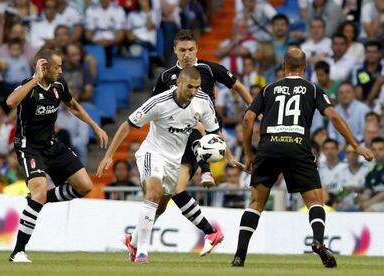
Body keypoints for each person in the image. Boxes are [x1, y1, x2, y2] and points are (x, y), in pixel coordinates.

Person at [232, 48, 374, 268]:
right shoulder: (312, 88)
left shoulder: (268, 89)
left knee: (256, 203)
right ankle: (318, 240)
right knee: (315, 201)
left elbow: (248, 119)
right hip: (297, 145)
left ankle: (239, 257)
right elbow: (333, 116)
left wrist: (250, 154)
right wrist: (355, 145)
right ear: (305, 68)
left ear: (283, 67)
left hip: (269, 146)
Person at [97, 67, 240, 263]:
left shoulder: (203, 101)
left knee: (160, 206)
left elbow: (214, 131)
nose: (193, 91)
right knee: (153, 192)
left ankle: (134, 242)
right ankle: (142, 253)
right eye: (189, 87)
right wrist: (109, 155)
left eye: (197, 87)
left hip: (174, 160)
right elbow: (127, 125)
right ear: (178, 83)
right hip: (152, 153)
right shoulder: (159, 102)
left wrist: (229, 155)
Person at [152, 29, 252, 252]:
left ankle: (205, 170)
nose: (186, 54)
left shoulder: (207, 68)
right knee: (167, 194)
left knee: (195, 119)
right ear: (175, 51)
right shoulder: (167, 76)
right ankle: (139, 235)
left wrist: (256, 110)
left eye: (190, 50)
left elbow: (237, 86)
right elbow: (154, 106)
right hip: (175, 140)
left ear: (197, 49)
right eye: (182, 50)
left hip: (206, 132)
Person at [7, 48, 108, 263]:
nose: (61, 70)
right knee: (39, 193)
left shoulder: (59, 85)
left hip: (52, 145)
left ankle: (38, 198)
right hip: (29, 147)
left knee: (85, 186)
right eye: (57, 67)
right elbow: (10, 102)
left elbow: (73, 105)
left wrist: (94, 126)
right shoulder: (28, 86)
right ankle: (18, 252)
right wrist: (35, 79)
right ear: (44, 67)